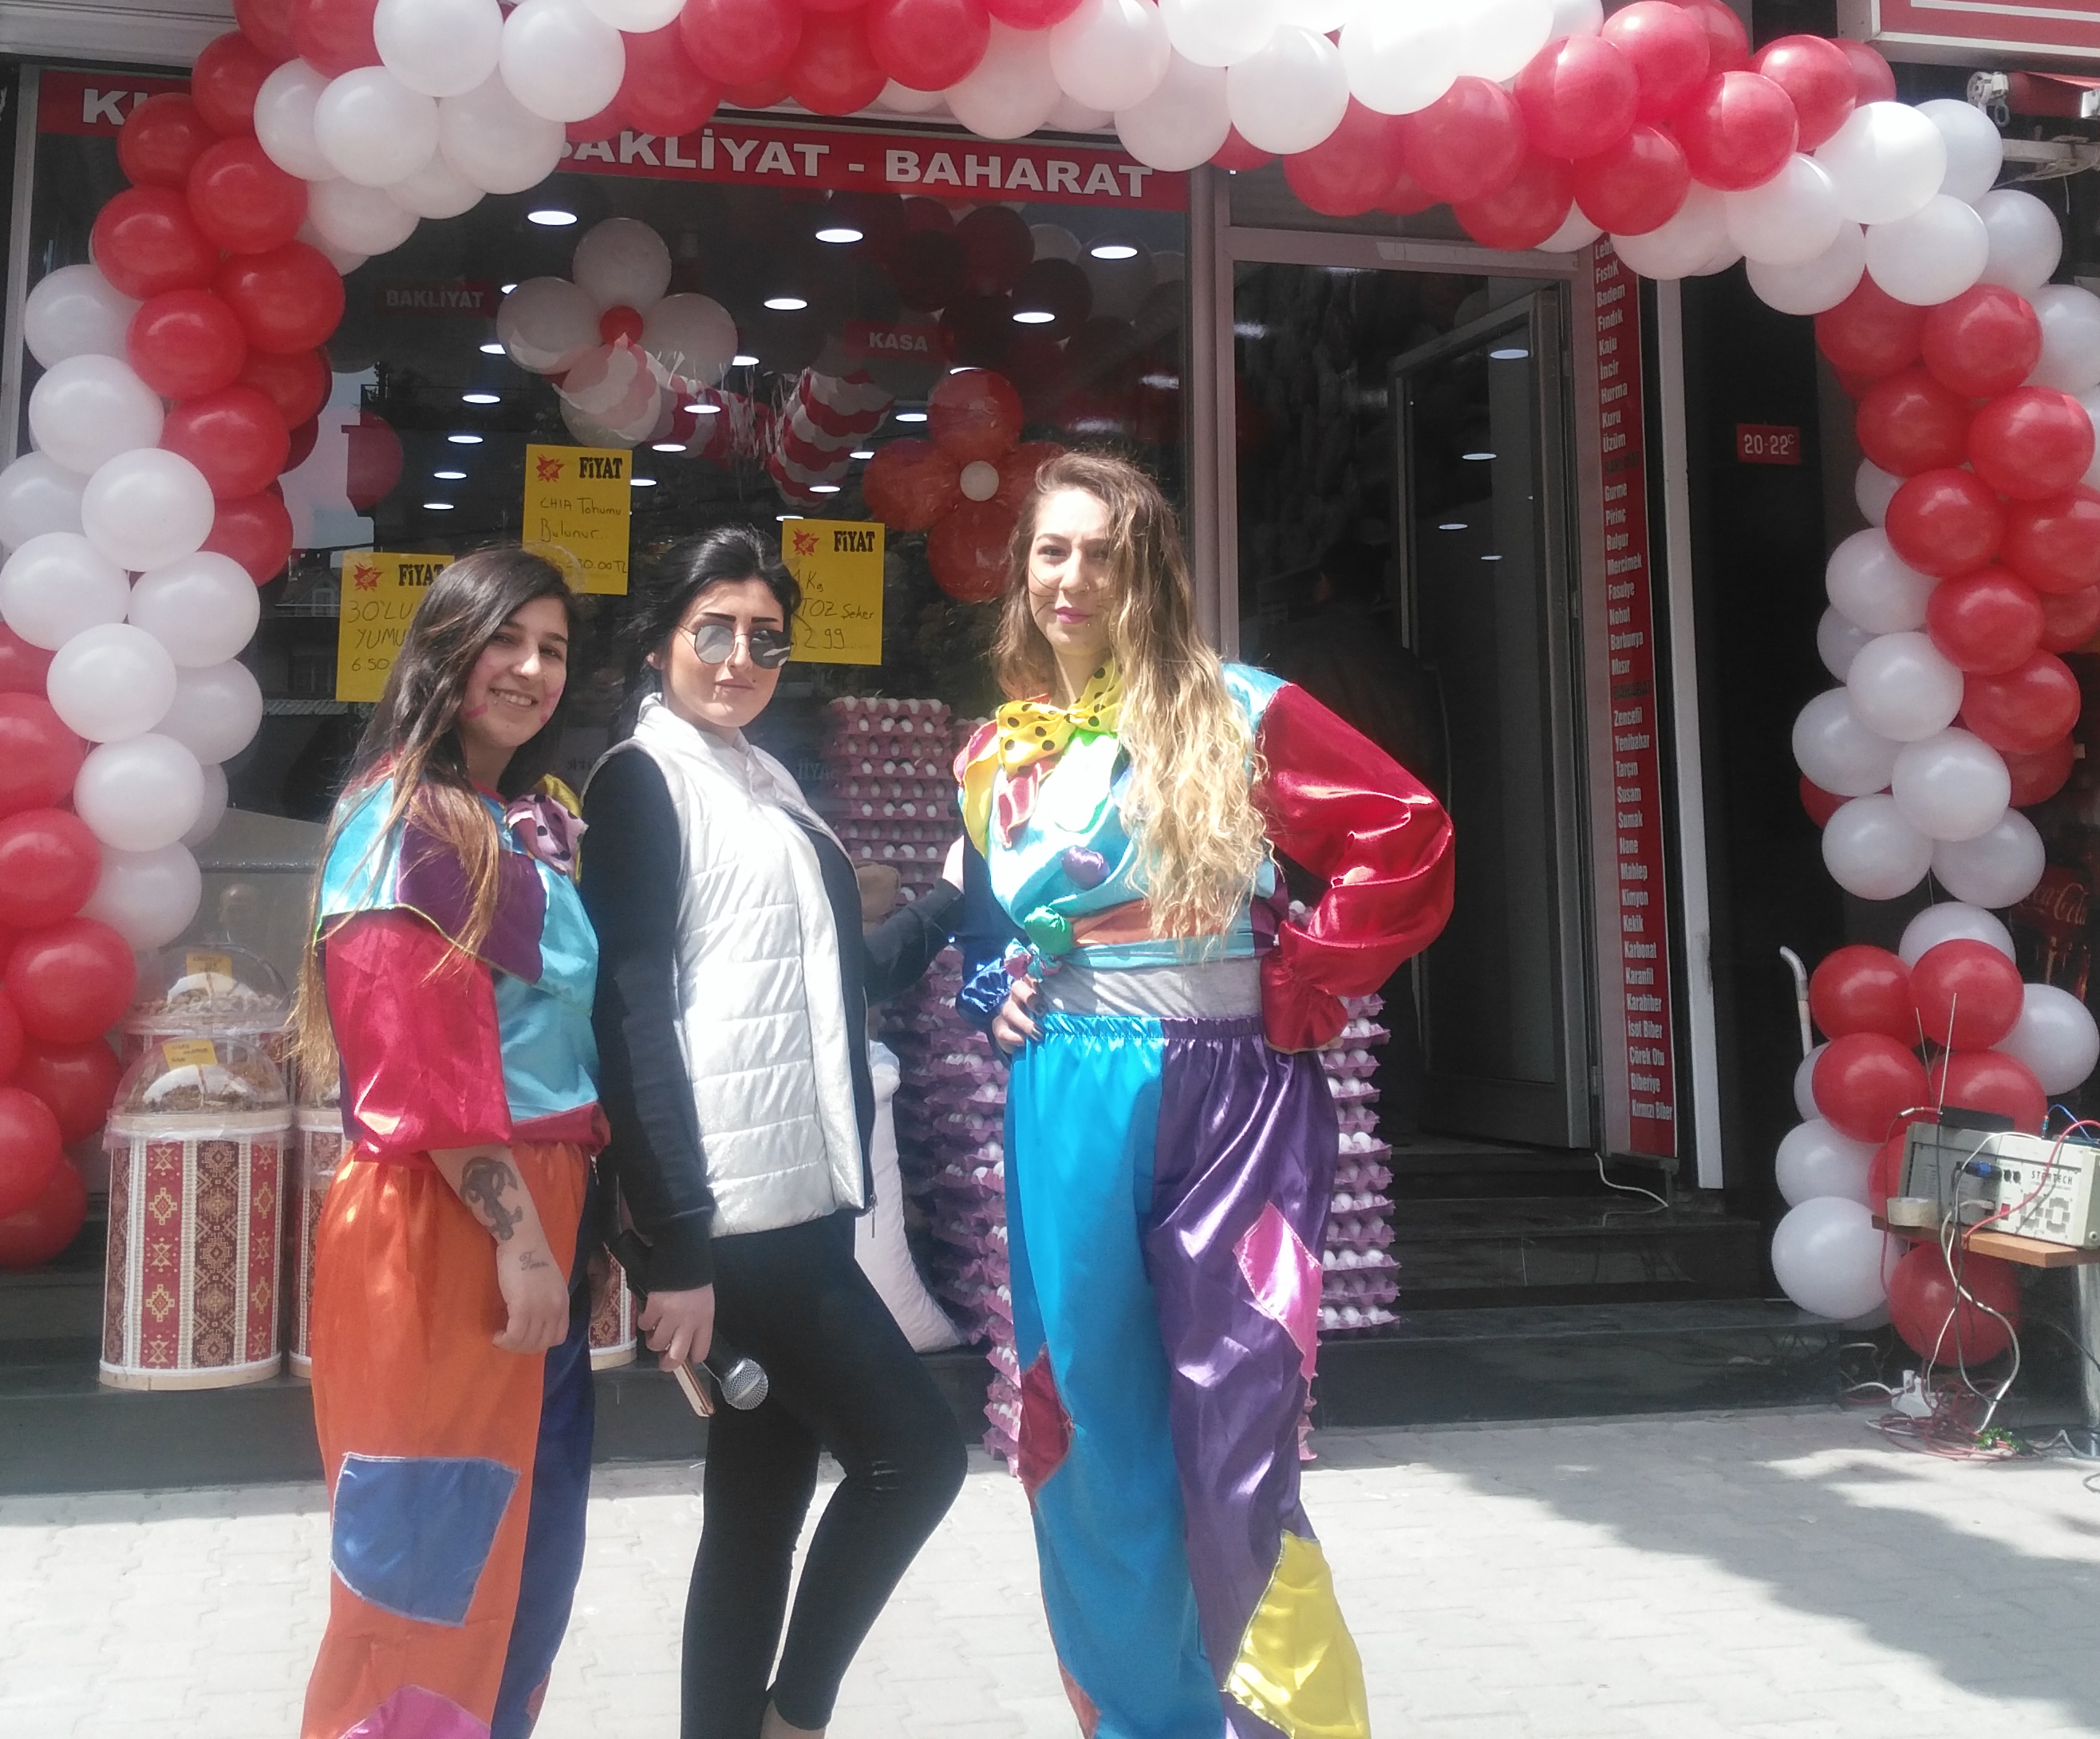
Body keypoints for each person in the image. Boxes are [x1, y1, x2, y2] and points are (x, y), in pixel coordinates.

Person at [965, 451, 1453, 1739]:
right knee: (1083, 1439)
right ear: (1023, 570)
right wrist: (991, 991)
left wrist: (1306, 976)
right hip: (1065, 1100)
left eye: (1104, 552)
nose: (1074, 577)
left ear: (1152, 573)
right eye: (1053, 550)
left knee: (1239, 1448)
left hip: (1234, 1099)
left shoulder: (1240, 710)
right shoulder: (997, 754)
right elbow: (988, 936)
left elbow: (1404, 833)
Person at [579, 523, 977, 1739]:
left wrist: (956, 898)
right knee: (917, 1458)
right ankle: (793, 1719)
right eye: (715, 630)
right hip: (738, 1218)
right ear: (660, 642)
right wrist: (677, 1245)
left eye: (766, 637)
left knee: (755, 1513)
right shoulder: (642, 783)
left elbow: (838, 977)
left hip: (805, 1197)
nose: (740, 658)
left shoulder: (762, 780)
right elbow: (633, 1018)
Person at [290, 546, 603, 1739]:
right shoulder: (403, 824)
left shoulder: (502, 821)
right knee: (428, 1580)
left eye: (553, 648)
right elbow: (415, 1067)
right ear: (445, 652)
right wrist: (520, 1241)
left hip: (528, 1205)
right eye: (505, 640)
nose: (530, 669)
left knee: (525, 1562)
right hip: (451, 1215)